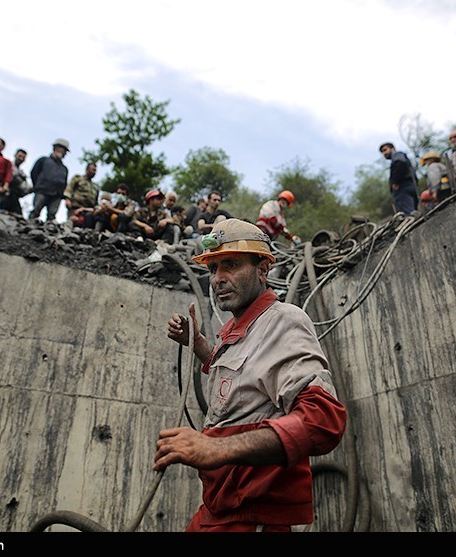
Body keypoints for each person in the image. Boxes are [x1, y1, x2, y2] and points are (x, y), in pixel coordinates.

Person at [156, 218, 347, 532]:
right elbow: (241, 378)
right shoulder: (235, 329)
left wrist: (214, 449)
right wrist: (200, 343)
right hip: (218, 506)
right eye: (212, 269)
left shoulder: (284, 320)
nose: (218, 279)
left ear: (262, 270)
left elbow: (323, 420)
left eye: (230, 265)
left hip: (251, 516)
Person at [29, 139, 70, 223]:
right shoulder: (43, 160)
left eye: (65, 151)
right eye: (63, 150)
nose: (64, 153)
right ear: (56, 148)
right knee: (35, 211)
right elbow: (34, 173)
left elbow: (65, 182)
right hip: (42, 191)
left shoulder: (64, 169)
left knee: (52, 216)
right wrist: (38, 186)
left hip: (56, 195)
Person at [379, 142, 418, 216]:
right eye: (382, 152)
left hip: (403, 187)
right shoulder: (400, 156)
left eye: (385, 150)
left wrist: (396, 181)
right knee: (412, 212)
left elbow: (400, 162)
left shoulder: (397, 155)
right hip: (410, 185)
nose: (384, 153)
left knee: (407, 215)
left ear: (393, 149)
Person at [64, 161, 100, 228]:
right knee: (73, 224)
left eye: (95, 171)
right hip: (75, 208)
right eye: (93, 170)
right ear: (87, 170)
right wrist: (67, 199)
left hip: (88, 211)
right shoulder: (78, 178)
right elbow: (69, 188)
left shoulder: (95, 186)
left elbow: (96, 202)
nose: (94, 172)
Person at [1, 148, 30, 216]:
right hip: (4, 192)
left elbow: (25, 188)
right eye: (19, 156)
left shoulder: (22, 173)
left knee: (17, 213)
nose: (21, 159)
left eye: (23, 157)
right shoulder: (8, 165)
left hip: (14, 194)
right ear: (15, 155)